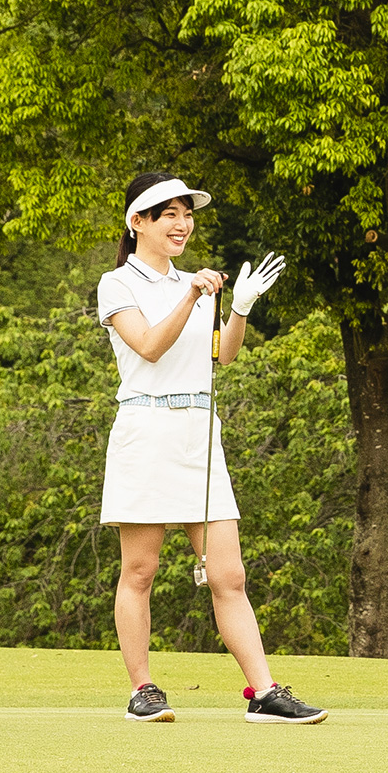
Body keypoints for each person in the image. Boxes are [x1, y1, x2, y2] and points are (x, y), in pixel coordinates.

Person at [97, 172, 324, 723]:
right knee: (141, 571)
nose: (182, 224)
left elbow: (224, 358)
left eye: (186, 213)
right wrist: (192, 293)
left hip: (200, 435)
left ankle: (264, 693)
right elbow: (149, 346)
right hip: (146, 429)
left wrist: (238, 309)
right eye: (168, 214)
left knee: (229, 575)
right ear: (138, 223)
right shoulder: (117, 283)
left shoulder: (193, 284)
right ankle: (143, 690)